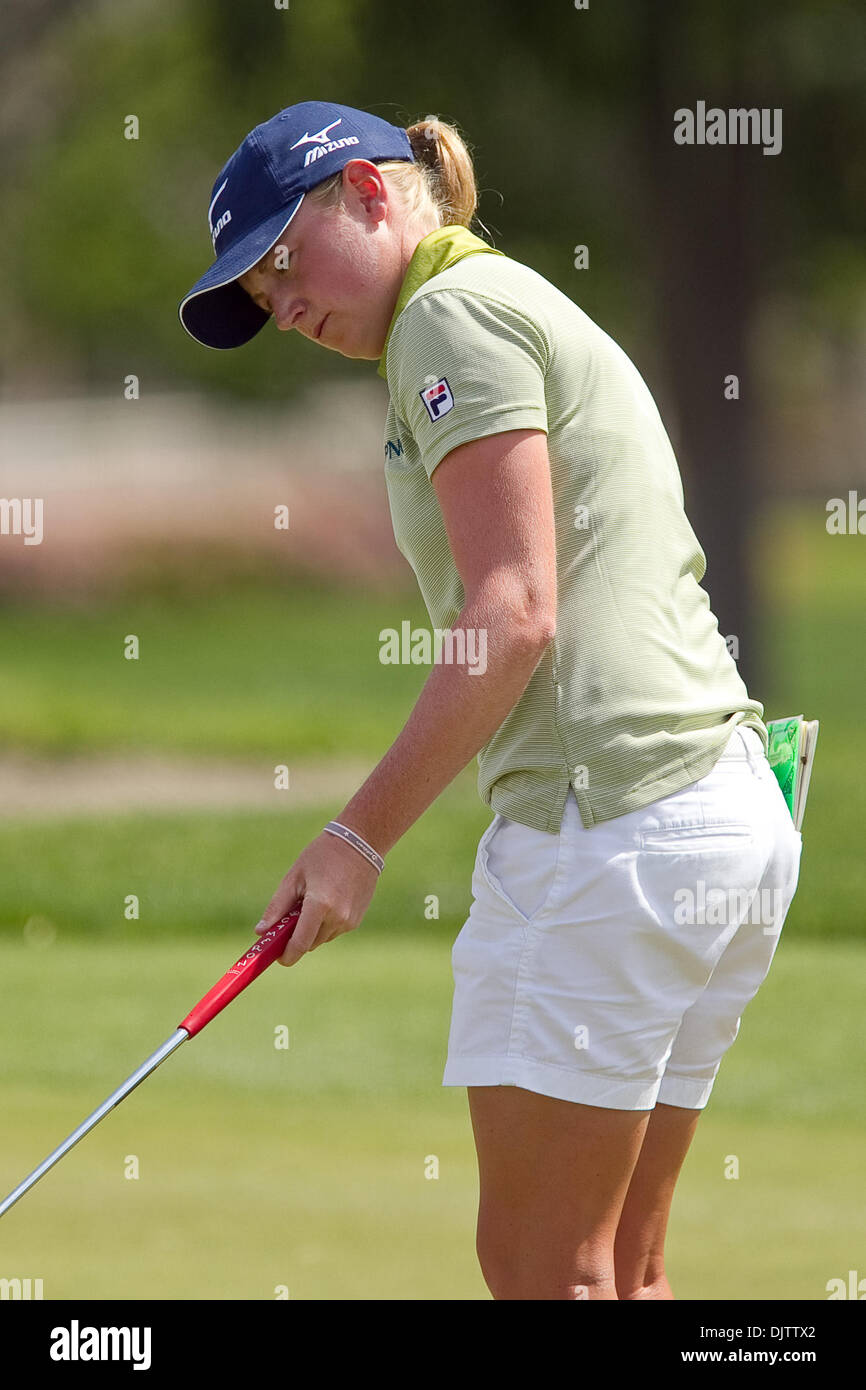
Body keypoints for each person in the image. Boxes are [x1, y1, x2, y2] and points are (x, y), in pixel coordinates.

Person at [178, 100, 803, 1300]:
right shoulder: (490, 298)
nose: (281, 305)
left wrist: (354, 839)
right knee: (622, 1268)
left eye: (280, 260)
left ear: (366, 190)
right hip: (717, 818)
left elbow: (512, 612)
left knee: (541, 1273)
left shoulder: (446, 315)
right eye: (257, 295)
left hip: (611, 831)